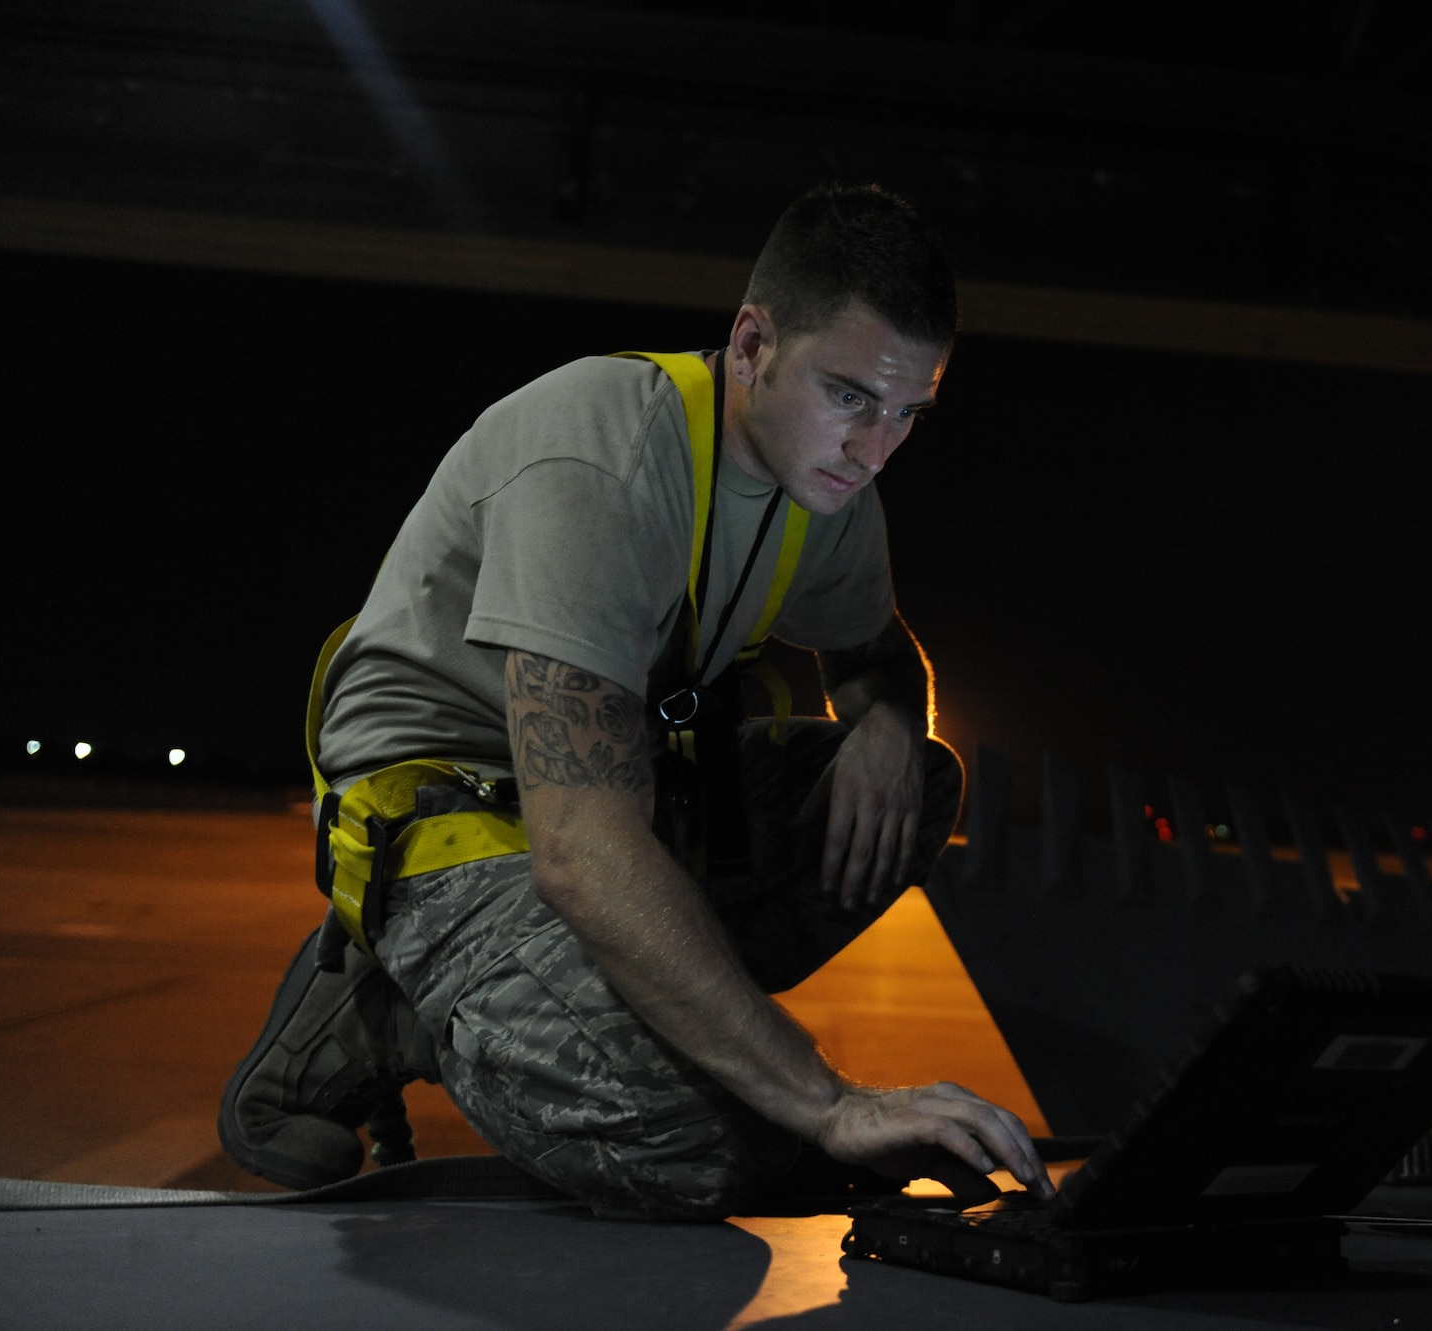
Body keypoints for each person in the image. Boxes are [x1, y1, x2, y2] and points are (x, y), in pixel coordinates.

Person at [218, 184, 1051, 1219]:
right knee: (701, 1151)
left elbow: (879, 655)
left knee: (915, 785)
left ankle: (596, 1002)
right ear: (751, 343)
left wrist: (885, 718)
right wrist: (827, 1102)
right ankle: (394, 1007)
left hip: (608, 794)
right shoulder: (603, 457)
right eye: (847, 395)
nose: (873, 448)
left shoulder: (827, 486)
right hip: (456, 814)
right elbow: (583, 847)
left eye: (905, 414)